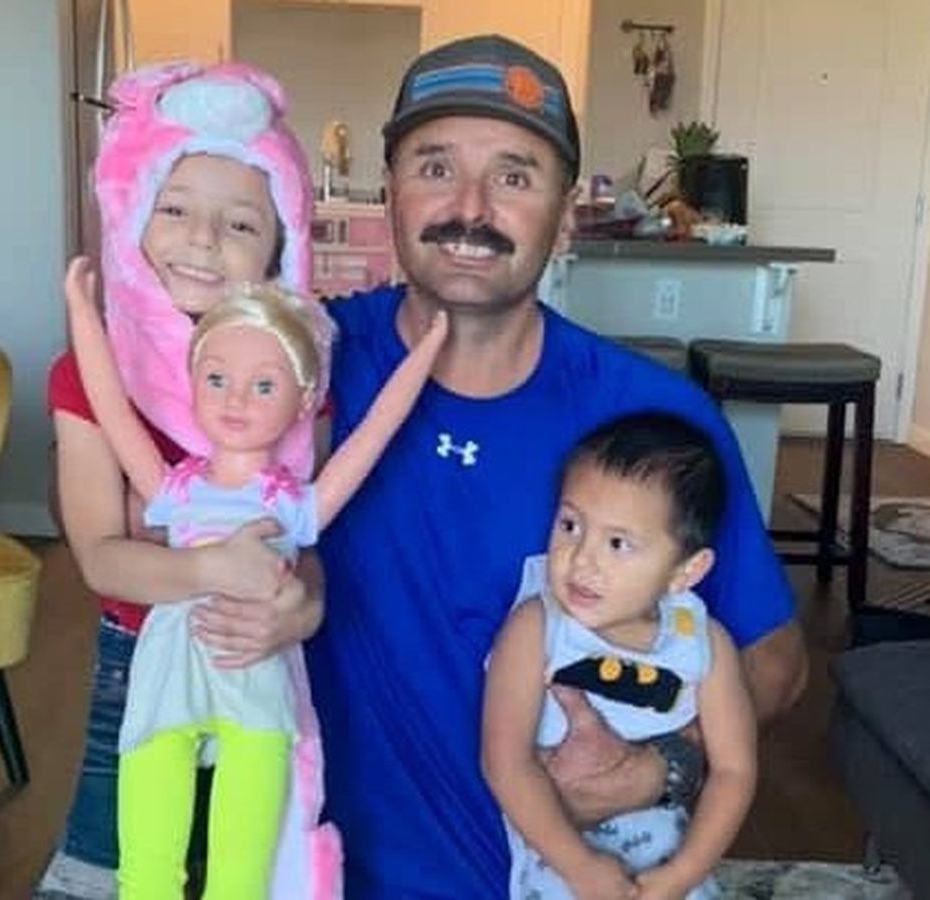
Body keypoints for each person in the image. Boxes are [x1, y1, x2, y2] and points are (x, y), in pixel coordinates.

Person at [306, 34, 807, 897]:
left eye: (514, 176)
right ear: (388, 193)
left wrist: (658, 769)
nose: (470, 208)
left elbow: (776, 663)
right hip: (327, 875)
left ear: (565, 214)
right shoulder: (297, 368)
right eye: (435, 167)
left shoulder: (652, 422)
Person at [39, 62, 338, 899]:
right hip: (139, 653)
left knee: (252, 861)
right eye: (173, 209)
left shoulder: (304, 376)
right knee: (111, 860)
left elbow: (307, 535)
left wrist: (301, 606)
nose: (202, 240)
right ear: (132, 211)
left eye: (240, 222)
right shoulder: (89, 373)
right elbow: (104, 557)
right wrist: (212, 565)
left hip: (260, 650)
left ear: (280, 248)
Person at [64, 269, 447, 898]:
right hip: (167, 675)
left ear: (303, 400)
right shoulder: (174, 489)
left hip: (255, 683)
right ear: (192, 383)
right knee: (146, 867)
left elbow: (376, 431)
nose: (236, 400)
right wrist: (83, 311)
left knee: (241, 876)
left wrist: (426, 352)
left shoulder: (296, 504)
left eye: (264, 385)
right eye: (216, 378)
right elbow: (112, 409)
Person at [483, 412, 757, 899]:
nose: (581, 559)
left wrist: (683, 874)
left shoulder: (703, 643)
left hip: (669, 875)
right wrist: (582, 867)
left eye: (617, 543)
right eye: (570, 525)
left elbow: (734, 772)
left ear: (686, 572)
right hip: (562, 872)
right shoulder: (536, 627)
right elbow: (504, 761)